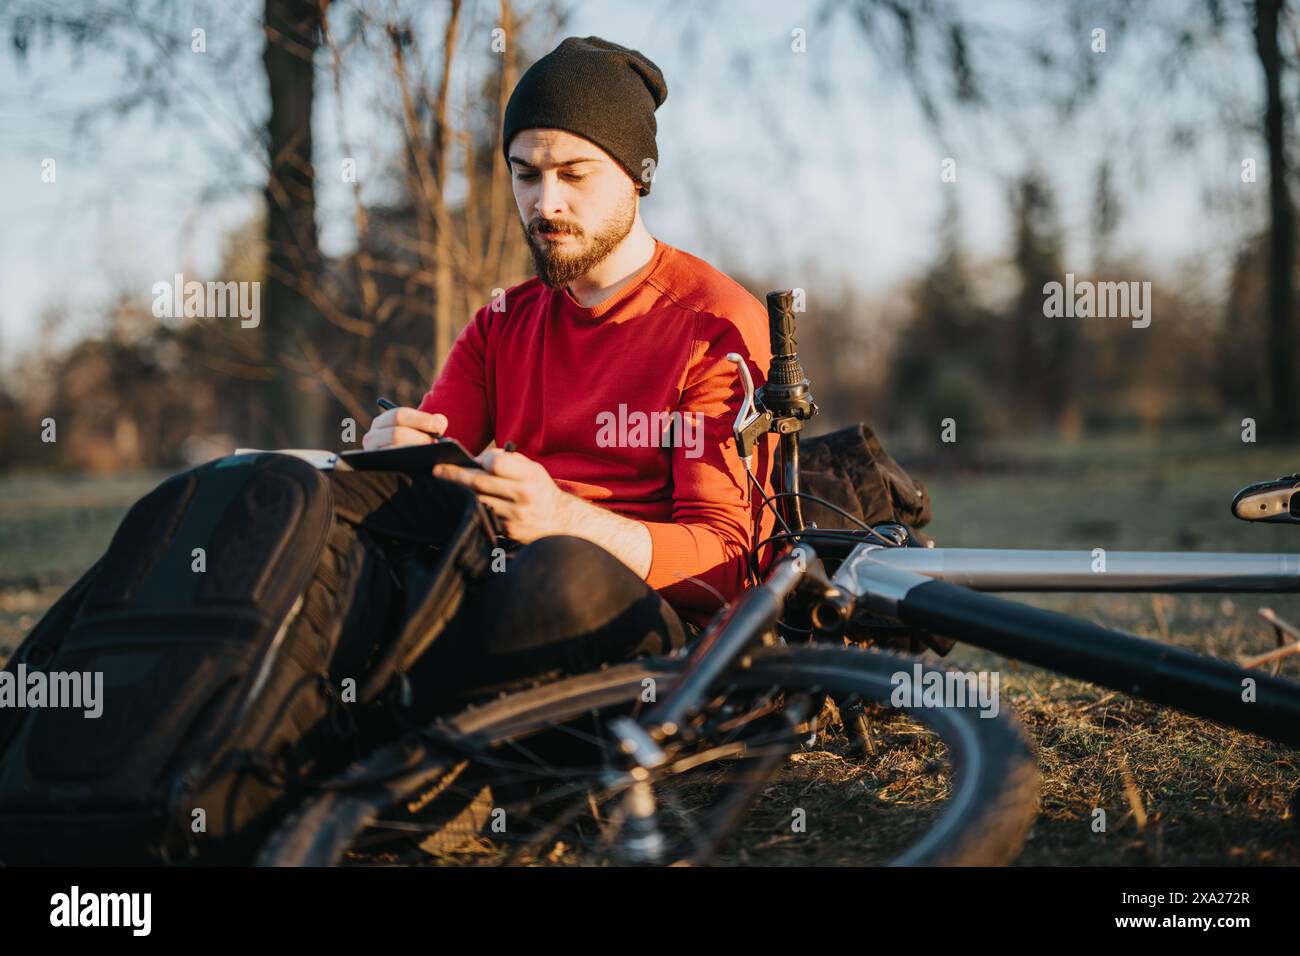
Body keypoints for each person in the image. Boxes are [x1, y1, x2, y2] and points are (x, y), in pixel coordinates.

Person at [361, 35, 778, 702]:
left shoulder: (717, 324)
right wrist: (396, 458)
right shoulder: (502, 320)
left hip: (649, 624)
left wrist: (564, 519)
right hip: (507, 584)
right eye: (526, 175)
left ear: (637, 176)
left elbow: (728, 566)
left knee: (558, 574)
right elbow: (437, 466)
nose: (545, 203)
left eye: (574, 174)